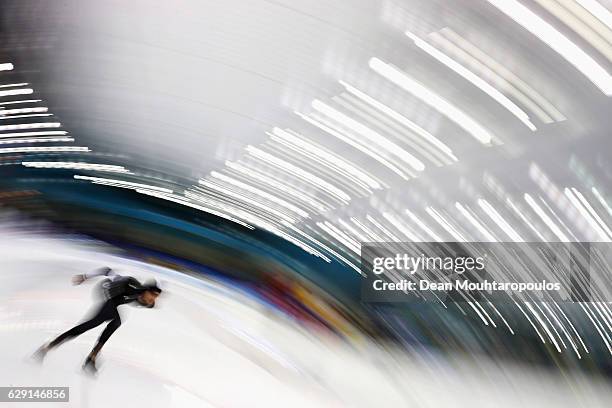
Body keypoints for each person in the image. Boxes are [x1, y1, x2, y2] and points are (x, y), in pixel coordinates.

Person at [34, 267, 162, 373]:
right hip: (105, 291)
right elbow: (107, 271)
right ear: (146, 290)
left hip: (114, 300)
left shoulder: (147, 302)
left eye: (156, 296)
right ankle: (47, 348)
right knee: (93, 323)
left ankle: (91, 357)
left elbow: (148, 302)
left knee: (115, 322)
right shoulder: (130, 284)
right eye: (153, 295)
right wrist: (84, 276)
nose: (153, 299)